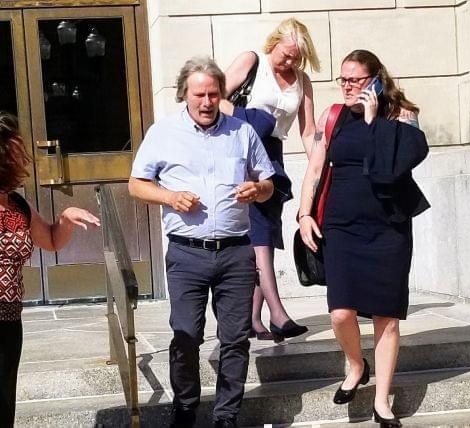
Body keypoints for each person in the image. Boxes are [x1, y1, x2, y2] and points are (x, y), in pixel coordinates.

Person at [128, 56, 275, 428]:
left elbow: (268, 183)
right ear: (184, 95)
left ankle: (227, 415)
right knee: (186, 335)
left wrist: (257, 189)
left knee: (236, 338)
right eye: (199, 95)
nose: (207, 102)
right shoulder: (162, 133)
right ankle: (186, 408)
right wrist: (169, 197)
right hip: (187, 253)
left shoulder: (242, 132)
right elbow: (136, 184)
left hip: (236, 252)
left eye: (213, 94)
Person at [298, 50, 429, 427]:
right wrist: (305, 214)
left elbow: (391, 168)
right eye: (343, 80)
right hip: (342, 225)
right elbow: (316, 167)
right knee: (340, 312)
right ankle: (357, 364)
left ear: (375, 78)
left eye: (354, 79)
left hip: (388, 227)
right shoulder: (334, 116)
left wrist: (374, 122)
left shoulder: (402, 115)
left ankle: (382, 399)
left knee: (387, 318)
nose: (347, 87)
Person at [220, 18, 321, 342]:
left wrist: (319, 167)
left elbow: (307, 131)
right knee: (260, 234)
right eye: (286, 54)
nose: (289, 62)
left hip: (273, 156)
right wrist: (249, 119)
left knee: (267, 235)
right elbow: (212, 99)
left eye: (296, 58)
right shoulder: (252, 62)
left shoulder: (302, 81)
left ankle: (252, 319)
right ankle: (277, 314)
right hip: (242, 151)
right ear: (274, 43)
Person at [0, 112, 100, 428]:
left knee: (3, 404)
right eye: (15, 147)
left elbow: (53, 240)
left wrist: (66, 218)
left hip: (8, 321)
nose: (23, 153)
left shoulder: (16, 204)